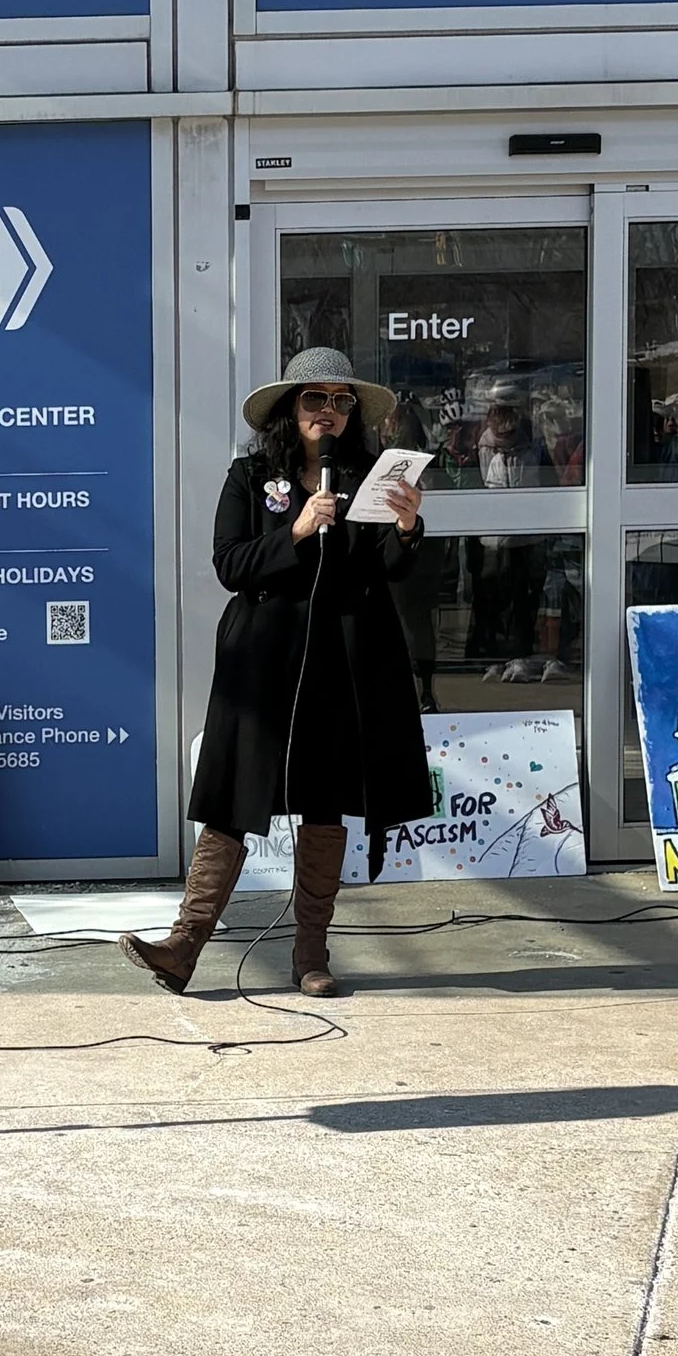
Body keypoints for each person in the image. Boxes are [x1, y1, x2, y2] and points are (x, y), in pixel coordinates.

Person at [125, 348, 431, 999]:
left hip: (340, 662)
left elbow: (390, 567)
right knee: (234, 797)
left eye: (341, 401)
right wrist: (296, 529)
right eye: (315, 399)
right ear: (290, 409)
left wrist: (406, 526)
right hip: (262, 665)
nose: (329, 411)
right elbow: (230, 563)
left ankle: (311, 953)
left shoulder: (369, 478)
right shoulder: (250, 475)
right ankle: (184, 945)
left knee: (324, 802)